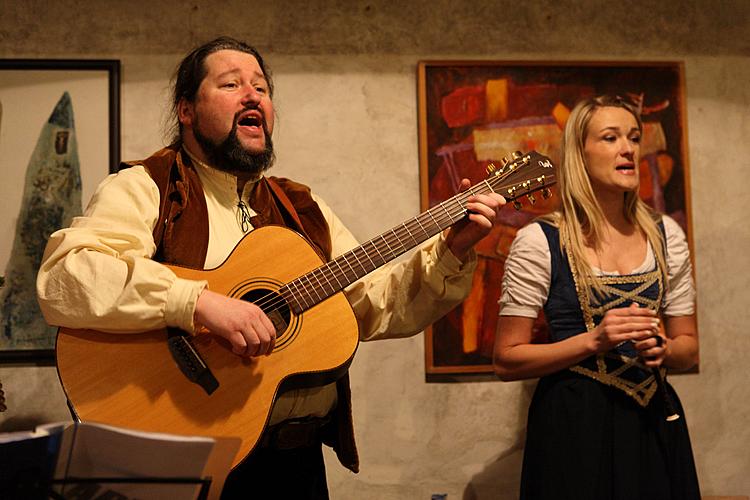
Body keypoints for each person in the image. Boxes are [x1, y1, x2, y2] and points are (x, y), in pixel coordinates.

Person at [36, 37, 505, 499]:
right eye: (231, 84)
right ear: (186, 111)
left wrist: (452, 251)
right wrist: (197, 303)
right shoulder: (147, 188)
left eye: (261, 87)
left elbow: (375, 304)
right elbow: (69, 276)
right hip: (184, 462)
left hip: (294, 468)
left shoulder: (300, 207)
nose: (252, 95)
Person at [493, 95, 700, 499]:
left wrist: (663, 349)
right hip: (573, 427)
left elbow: (689, 349)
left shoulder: (666, 235)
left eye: (634, 137)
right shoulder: (542, 241)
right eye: (610, 138)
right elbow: (507, 358)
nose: (628, 148)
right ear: (579, 154)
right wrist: (594, 340)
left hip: (652, 423)